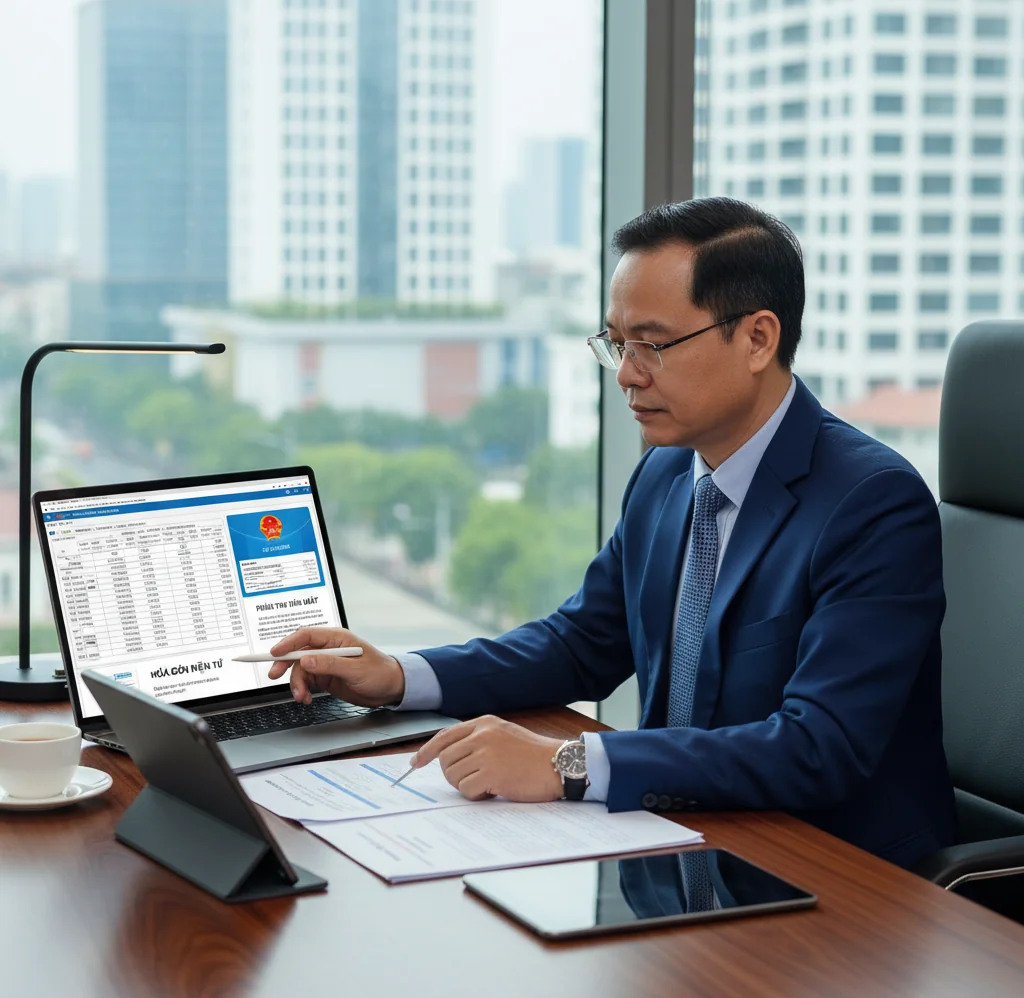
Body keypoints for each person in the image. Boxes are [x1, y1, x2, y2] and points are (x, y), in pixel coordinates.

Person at [270, 197, 955, 868]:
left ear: (757, 339)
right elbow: (581, 644)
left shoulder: (871, 503)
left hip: (831, 872)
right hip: (682, 843)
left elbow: (818, 747)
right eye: (618, 344)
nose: (627, 374)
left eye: (653, 345)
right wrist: (397, 676)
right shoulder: (667, 471)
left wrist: (565, 763)